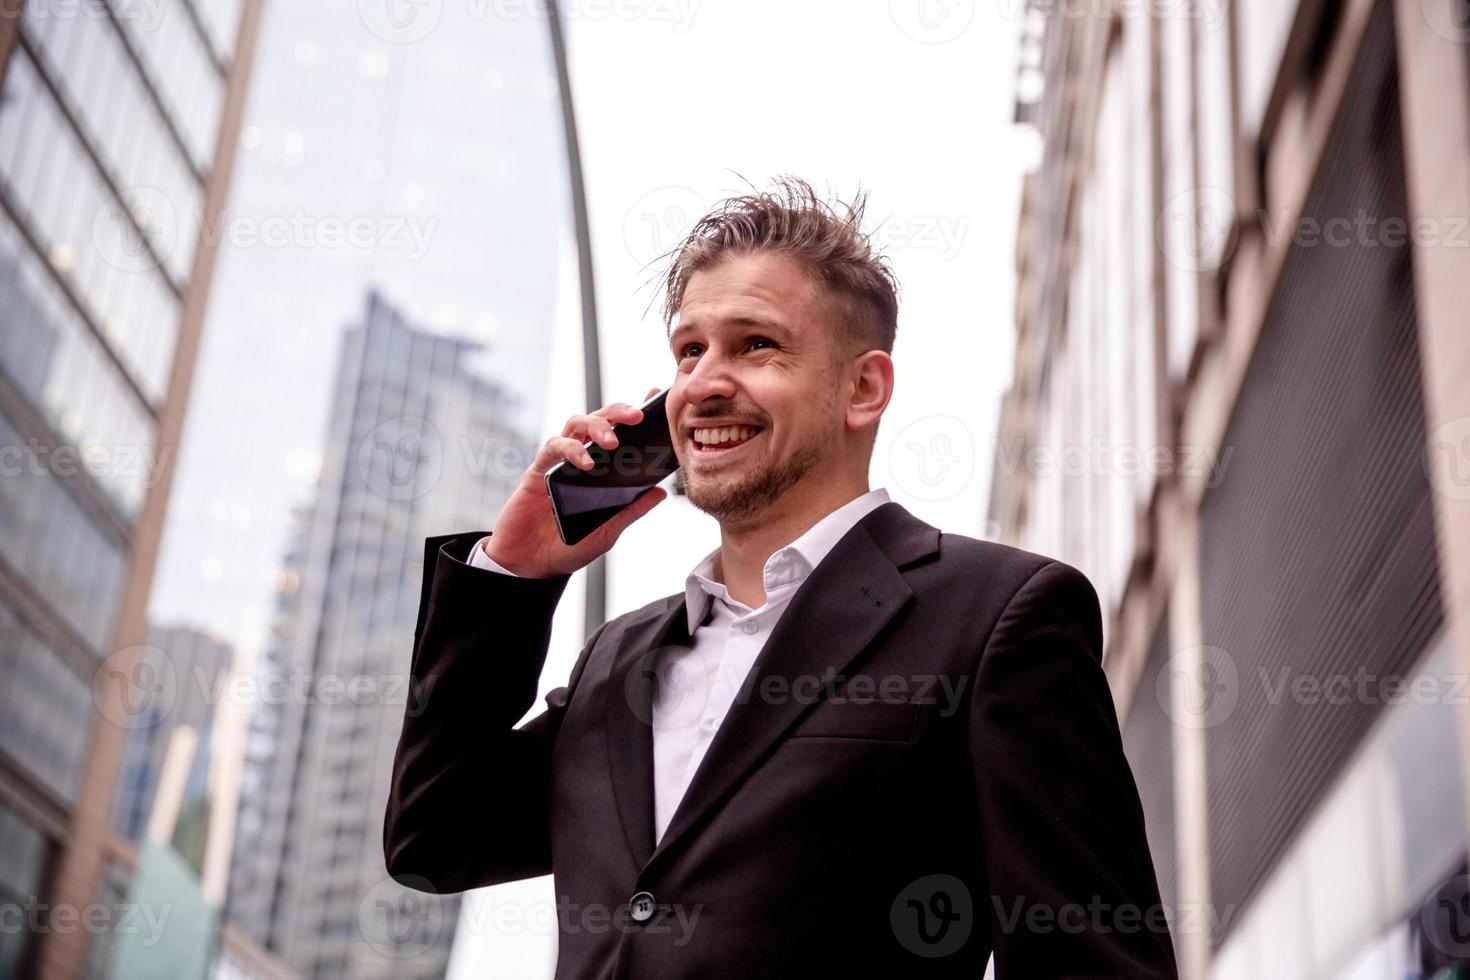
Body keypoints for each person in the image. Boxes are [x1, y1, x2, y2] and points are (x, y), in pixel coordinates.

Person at [384, 176, 1178, 978]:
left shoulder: (997, 617)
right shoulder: (616, 661)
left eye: (755, 345)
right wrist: (511, 574)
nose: (703, 383)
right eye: (690, 351)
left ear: (863, 388)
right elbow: (434, 839)